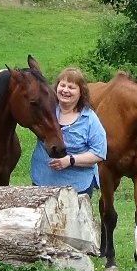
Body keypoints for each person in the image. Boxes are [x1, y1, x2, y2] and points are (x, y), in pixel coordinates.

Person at [30, 67, 107, 197]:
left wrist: (70, 160)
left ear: (81, 92)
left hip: (77, 187)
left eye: (71, 87)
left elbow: (99, 152)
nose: (65, 90)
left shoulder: (89, 119)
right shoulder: (46, 111)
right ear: (56, 88)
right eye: (62, 85)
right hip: (42, 181)